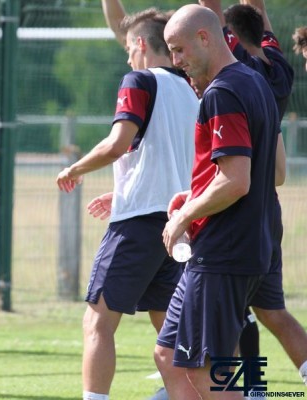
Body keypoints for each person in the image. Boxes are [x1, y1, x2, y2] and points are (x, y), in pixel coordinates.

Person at [56, 7, 198, 400]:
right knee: (170, 331)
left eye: (128, 51)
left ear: (139, 45)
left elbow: (118, 143)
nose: (127, 59)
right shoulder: (194, 89)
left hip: (137, 227)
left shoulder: (138, 79)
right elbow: (176, 162)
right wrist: (122, 191)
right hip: (178, 225)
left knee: (98, 322)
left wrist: (76, 168)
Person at [155, 5, 280, 399]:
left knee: (209, 371)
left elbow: (235, 181)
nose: (176, 61)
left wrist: (181, 218)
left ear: (205, 38)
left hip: (223, 254)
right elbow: (258, 170)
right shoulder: (253, 80)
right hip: (239, 248)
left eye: (178, 49)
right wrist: (192, 196)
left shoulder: (223, 92)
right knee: (168, 354)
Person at [201, 0, 307, 389]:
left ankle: (236, 389)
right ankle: (255, 389)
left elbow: (208, 15)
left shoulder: (238, 73)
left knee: (227, 313)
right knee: (271, 311)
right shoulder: (278, 68)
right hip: (267, 207)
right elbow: (257, 17)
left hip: (234, 207)